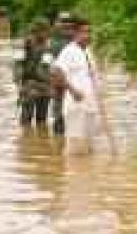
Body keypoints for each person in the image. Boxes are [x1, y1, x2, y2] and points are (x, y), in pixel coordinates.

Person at [52, 17, 105, 155]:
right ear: (75, 33)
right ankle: (73, 175)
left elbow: (92, 76)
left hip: (90, 106)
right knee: (75, 149)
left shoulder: (88, 52)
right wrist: (73, 90)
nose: (88, 35)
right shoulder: (68, 51)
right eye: (84, 32)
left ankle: (86, 176)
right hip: (76, 107)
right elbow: (56, 72)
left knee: (89, 148)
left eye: (89, 32)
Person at [17, 20, 57, 128]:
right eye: (43, 31)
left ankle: (39, 139)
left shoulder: (48, 45)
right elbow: (18, 65)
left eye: (46, 32)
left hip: (44, 85)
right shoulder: (25, 44)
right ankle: (26, 140)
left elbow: (48, 66)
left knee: (42, 118)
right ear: (36, 32)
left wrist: (52, 85)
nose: (45, 34)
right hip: (29, 84)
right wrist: (20, 85)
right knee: (26, 117)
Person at [47, 12, 76, 136]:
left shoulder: (76, 40)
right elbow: (49, 64)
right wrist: (51, 84)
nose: (66, 24)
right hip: (58, 82)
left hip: (74, 82)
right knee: (59, 114)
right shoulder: (52, 42)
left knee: (73, 113)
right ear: (57, 23)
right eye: (63, 21)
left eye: (68, 21)